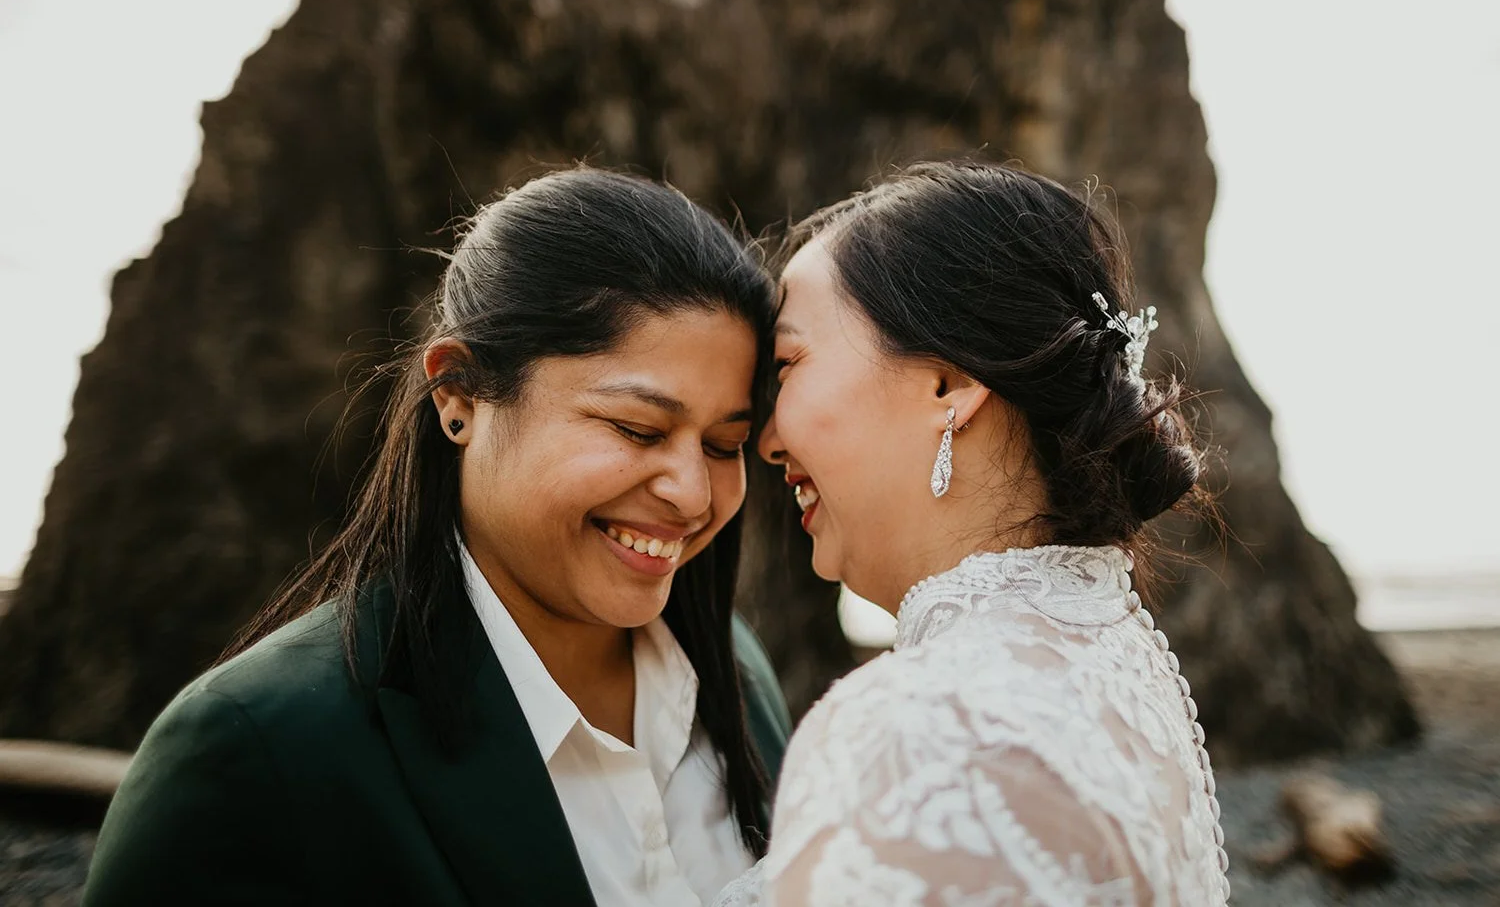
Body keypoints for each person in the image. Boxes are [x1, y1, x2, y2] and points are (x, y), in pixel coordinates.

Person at [84, 168, 792, 907]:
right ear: (459, 395)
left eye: (723, 444)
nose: (693, 492)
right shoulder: (255, 754)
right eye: (637, 429)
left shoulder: (736, 670)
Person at [716, 161, 1229, 906]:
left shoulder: (918, 729)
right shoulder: (1119, 663)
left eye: (790, 365)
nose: (766, 440)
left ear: (949, 386)